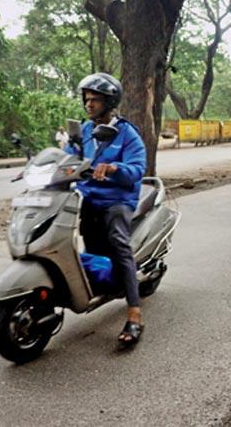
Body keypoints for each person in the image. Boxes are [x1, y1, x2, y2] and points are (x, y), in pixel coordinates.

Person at [62, 72, 148, 348]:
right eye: (86, 99)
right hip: (89, 196)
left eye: (95, 100)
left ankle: (134, 313)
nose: (89, 104)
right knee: (85, 242)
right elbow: (68, 156)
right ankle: (100, 283)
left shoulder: (127, 133)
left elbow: (137, 169)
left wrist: (113, 168)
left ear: (109, 102)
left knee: (119, 244)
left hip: (117, 199)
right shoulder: (85, 131)